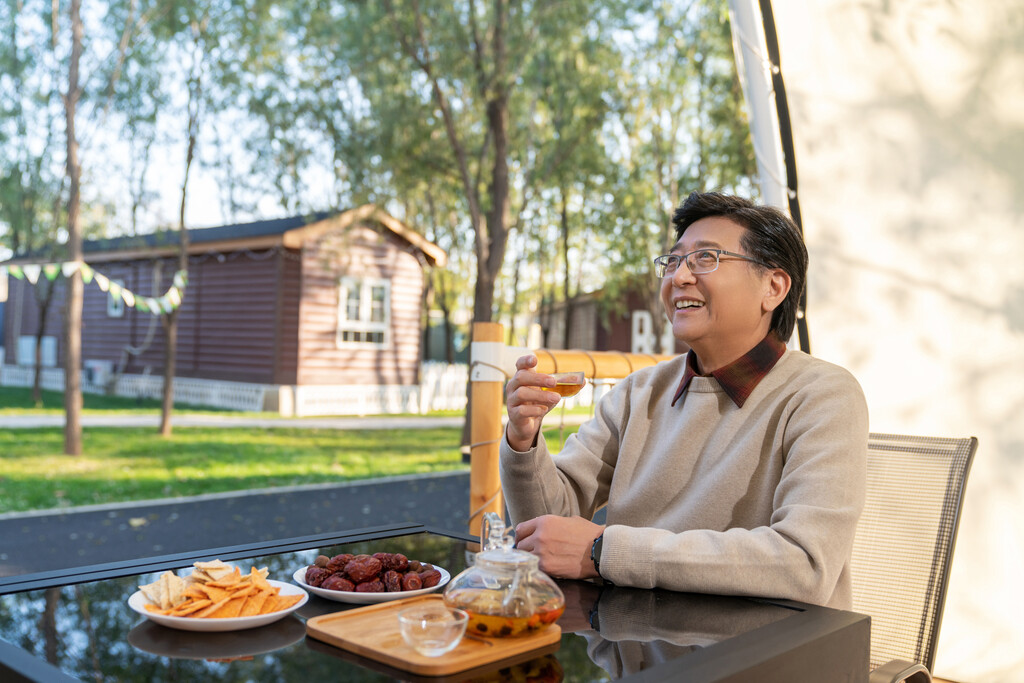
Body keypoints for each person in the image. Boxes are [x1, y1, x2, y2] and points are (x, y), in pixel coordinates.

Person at [500, 191, 867, 609]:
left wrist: (604, 551)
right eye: (673, 261)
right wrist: (523, 439)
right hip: (634, 640)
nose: (680, 277)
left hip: (761, 655)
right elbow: (549, 525)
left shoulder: (822, 395)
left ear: (774, 286)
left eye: (705, 258)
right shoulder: (639, 392)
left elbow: (804, 564)